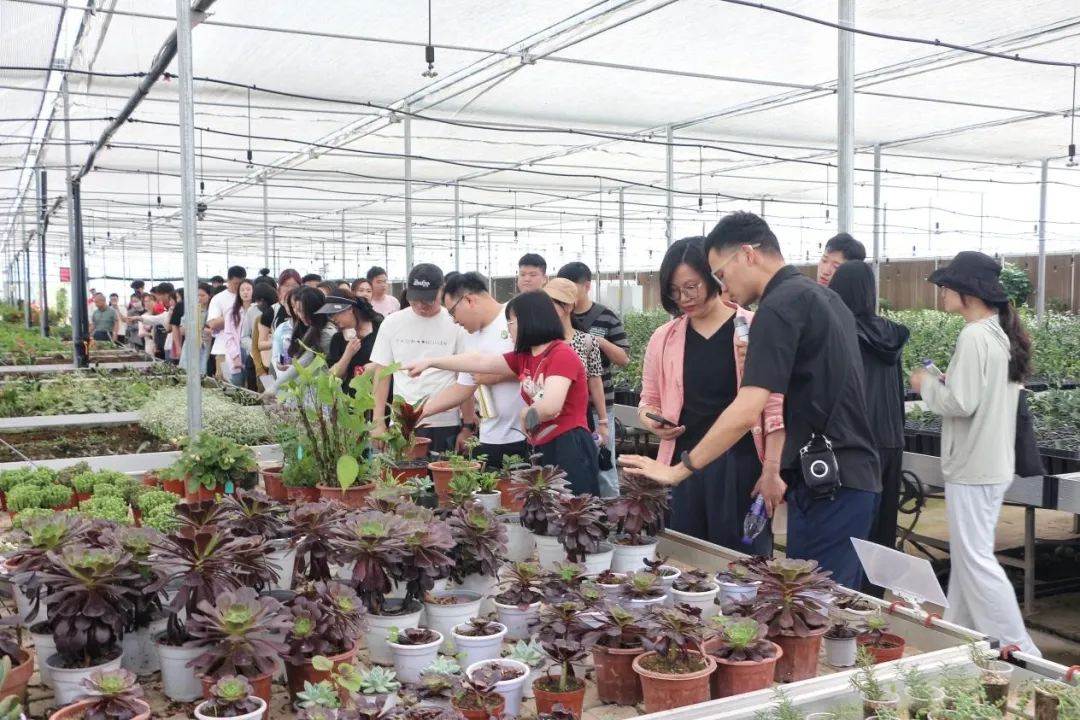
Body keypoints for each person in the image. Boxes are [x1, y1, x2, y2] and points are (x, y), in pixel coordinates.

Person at [620, 212, 881, 590]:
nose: (723, 286)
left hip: (825, 476)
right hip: (845, 473)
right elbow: (817, 385)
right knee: (825, 595)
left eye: (720, 274)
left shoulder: (777, 307)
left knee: (812, 596)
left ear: (747, 254)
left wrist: (677, 471)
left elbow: (749, 409)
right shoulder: (822, 298)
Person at [909, 251, 1041, 656]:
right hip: (990, 463)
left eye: (947, 286)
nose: (943, 292)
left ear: (968, 292)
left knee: (976, 560)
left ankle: (1022, 650)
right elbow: (978, 396)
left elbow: (960, 403)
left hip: (973, 467)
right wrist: (948, 382)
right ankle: (956, 640)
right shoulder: (997, 335)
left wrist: (927, 385)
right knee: (968, 561)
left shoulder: (973, 337)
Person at [637, 237, 786, 554]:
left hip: (741, 468)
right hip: (682, 466)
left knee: (741, 562)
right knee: (683, 558)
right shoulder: (664, 338)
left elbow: (775, 408)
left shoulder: (753, 328)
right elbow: (648, 400)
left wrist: (772, 469)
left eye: (691, 287)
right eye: (675, 291)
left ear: (714, 276)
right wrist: (652, 421)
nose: (684, 298)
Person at [406, 291, 599, 494]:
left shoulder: (561, 355)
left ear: (529, 320)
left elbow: (551, 406)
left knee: (573, 507)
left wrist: (525, 414)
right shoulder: (525, 357)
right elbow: (479, 361)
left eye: (511, 322)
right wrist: (431, 362)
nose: (508, 329)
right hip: (542, 445)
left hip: (569, 445)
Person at [829, 261, 910, 587]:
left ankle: (847, 601)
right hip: (891, 439)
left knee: (847, 532)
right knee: (881, 532)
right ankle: (873, 602)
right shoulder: (891, 334)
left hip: (855, 443)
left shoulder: (841, 334)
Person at [420, 271, 528, 469]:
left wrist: (497, 377)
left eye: (453, 312)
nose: (454, 321)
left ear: (469, 300)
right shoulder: (469, 337)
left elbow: (537, 366)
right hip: (489, 437)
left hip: (524, 436)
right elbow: (463, 387)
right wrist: (421, 412)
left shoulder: (515, 318)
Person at [370, 263, 471, 454]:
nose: (420, 306)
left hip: (444, 421)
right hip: (402, 421)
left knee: (442, 471)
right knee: (402, 471)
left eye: (428, 300)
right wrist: (378, 421)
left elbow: (465, 377)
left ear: (442, 291)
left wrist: (468, 425)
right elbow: (382, 374)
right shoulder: (392, 323)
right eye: (415, 300)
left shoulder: (456, 323)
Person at [558, 261, 630, 498]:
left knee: (604, 465)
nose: (567, 293)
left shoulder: (606, 317)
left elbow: (623, 358)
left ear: (587, 286)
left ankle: (610, 512)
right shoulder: (557, 321)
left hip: (599, 407)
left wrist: (597, 342)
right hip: (568, 410)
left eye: (572, 287)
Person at [543, 279, 608, 439]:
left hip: (578, 418)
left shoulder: (586, 341)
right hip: (545, 414)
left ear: (569, 306)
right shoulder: (540, 343)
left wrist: (603, 421)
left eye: (551, 304)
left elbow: (595, 382)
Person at [315, 294, 381, 393]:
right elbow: (332, 376)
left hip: (381, 391)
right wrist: (348, 354)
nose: (333, 319)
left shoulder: (379, 328)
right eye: (330, 315)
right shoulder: (338, 339)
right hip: (352, 396)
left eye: (335, 313)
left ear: (350, 309)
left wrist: (376, 366)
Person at [206, 266, 246, 380]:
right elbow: (212, 323)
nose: (239, 287)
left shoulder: (248, 296)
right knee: (226, 382)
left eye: (241, 283)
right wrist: (236, 316)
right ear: (228, 281)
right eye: (235, 283)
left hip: (244, 349)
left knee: (245, 385)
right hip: (223, 350)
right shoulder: (218, 298)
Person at [224, 278, 254, 386]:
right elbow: (228, 336)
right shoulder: (232, 312)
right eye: (242, 290)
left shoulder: (257, 310)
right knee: (237, 386)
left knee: (252, 386)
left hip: (252, 351)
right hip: (237, 352)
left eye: (248, 289)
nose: (245, 292)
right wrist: (235, 357)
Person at [250, 283, 277, 391]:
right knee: (266, 397)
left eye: (263, 301)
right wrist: (260, 371)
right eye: (257, 301)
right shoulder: (259, 319)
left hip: (279, 369)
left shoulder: (280, 318)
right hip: (264, 370)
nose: (259, 304)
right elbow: (255, 348)